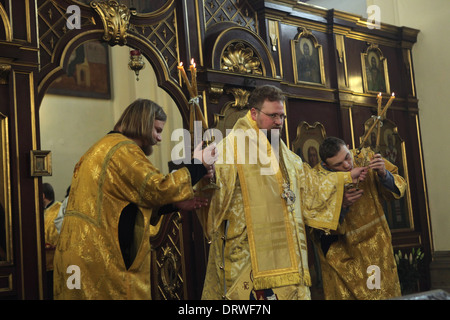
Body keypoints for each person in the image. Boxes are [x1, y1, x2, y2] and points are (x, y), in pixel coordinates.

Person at [195, 85, 366, 300]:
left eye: (282, 116)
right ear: (254, 113)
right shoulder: (232, 146)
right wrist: (203, 171)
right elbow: (213, 187)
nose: (279, 122)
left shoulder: (283, 151)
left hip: (290, 257)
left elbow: (309, 183)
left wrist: (347, 177)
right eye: (273, 115)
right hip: (251, 259)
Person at [53, 98, 216, 300]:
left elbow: (128, 202)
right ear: (142, 123)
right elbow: (157, 187)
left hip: (77, 254)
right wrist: (199, 164)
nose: (159, 139)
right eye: (157, 130)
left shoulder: (102, 147)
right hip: (97, 256)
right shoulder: (122, 149)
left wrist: (173, 203)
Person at [314, 136, 406, 299]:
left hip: (378, 248)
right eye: (338, 165)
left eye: (347, 157)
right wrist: (341, 206)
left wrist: (383, 174)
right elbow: (317, 225)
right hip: (344, 257)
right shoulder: (317, 180)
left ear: (348, 147)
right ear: (326, 165)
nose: (347, 165)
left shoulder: (365, 158)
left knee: (382, 294)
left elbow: (399, 185)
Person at [42, 182, 62, 299]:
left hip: (54, 262)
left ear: (43, 195)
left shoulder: (59, 209)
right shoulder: (40, 210)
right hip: (42, 263)